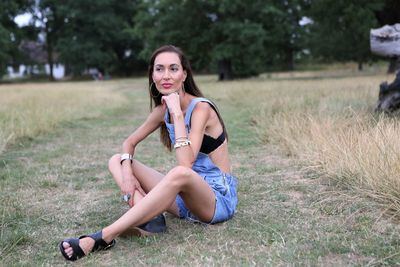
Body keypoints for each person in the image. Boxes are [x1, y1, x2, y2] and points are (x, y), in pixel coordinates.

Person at [59, 45, 238, 261]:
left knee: (178, 173)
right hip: (184, 200)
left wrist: (177, 115)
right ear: (152, 75)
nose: (166, 76)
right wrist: (127, 175)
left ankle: (102, 237)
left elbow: (185, 164)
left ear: (184, 74)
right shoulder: (162, 111)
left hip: (216, 199)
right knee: (117, 160)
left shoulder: (201, 109)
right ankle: (152, 221)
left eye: (173, 69)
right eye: (159, 69)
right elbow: (129, 142)